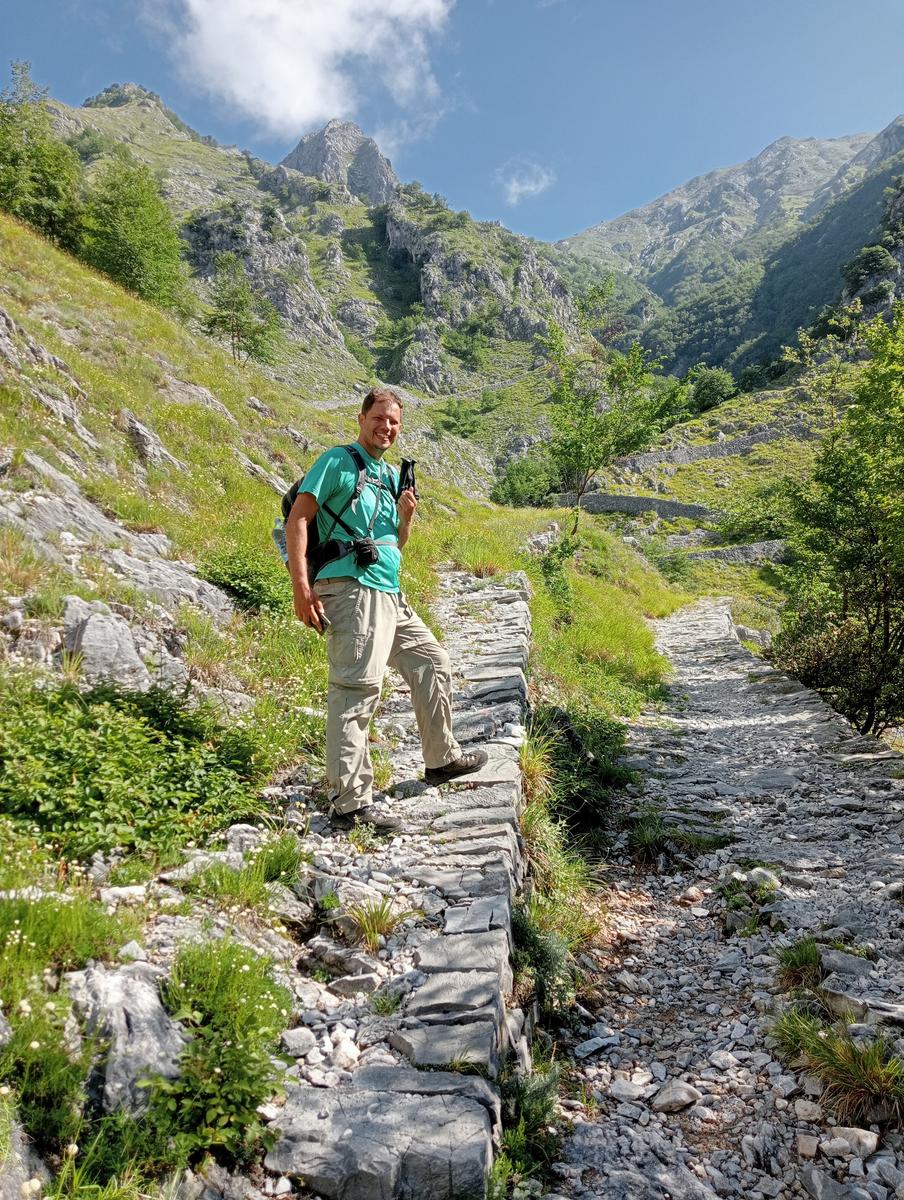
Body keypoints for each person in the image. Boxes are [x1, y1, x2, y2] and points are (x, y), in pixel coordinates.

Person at [285, 386, 486, 830]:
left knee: (432, 661)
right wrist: (301, 587)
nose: (386, 427)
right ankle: (350, 803)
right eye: (379, 418)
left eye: (394, 422)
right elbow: (298, 518)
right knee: (357, 688)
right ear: (361, 419)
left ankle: (441, 759)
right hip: (352, 590)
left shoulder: (390, 475)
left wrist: (406, 517)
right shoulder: (338, 461)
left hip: (389, 593)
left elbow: (395, 542)